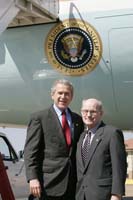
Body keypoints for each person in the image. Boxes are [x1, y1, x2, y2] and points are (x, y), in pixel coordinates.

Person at [24, 79, 84, 200]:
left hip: (72, 184)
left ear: (71, 97)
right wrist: (32, 178)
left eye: (67, 94)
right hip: (47, 184)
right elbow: (30, 151)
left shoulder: (78, 120)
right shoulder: (39, 118)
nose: (63, 97)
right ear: (52, 95)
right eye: (60, 93)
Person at [76, 98, 127, 200]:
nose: (88, 115)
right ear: (81, 112)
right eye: (85, 111)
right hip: (81, 195)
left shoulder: (112, 133)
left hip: (103, 195)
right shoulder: (81, 136)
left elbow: (119, 167)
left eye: (93, 111)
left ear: (101, 113)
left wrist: (116, 194)